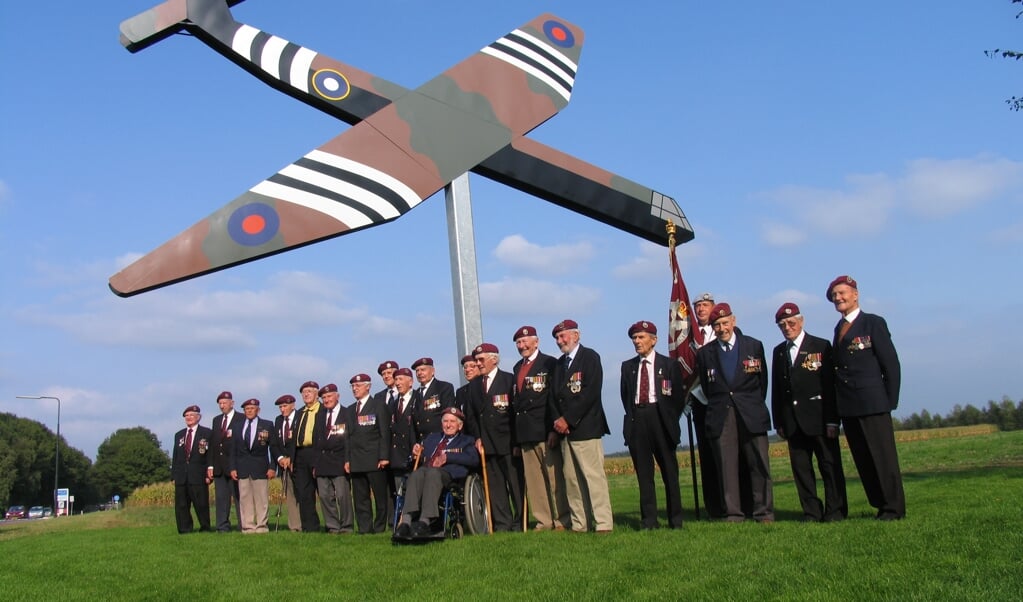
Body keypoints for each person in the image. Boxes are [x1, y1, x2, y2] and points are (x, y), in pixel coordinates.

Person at [828, 275, 905, 520]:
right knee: (863, 458)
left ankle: (893, 508)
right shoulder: (839, 328)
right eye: (834, 296)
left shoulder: (873, 323)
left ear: (855, 294)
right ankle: (880, 504)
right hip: (849, 406)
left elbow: (890, 364)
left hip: (873, 403)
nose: (838, 298)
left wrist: (888, 401)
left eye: (842, 293)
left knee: (882, 457)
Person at [695, 303, 774, 523]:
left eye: (725, 323)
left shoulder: (754, 346)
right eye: (717, 325)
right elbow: (708, 387)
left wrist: (749, 402)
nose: (722, 328)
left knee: (759, 465)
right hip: (722, 415)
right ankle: (733, 513)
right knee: (726, 467)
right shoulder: (705, 354)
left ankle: (763, 512)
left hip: (751, 412)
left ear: (734, 321)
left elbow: (762, 382)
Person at [771, 302, 848, 522]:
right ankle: (811, 512)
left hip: (820, 419)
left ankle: (835, 511)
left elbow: (830, 386)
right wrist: (779, 422)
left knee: (829, 467)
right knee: (802, 471)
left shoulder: (820, 346)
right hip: (793, 422)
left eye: (791, 322)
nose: (787, 327)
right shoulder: (779, 352)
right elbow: (777, 390)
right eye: (782, 325)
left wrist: (833, 420)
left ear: (801, 321)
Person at [620, 321, 686, 529]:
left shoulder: (669, 365)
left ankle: (675, 519)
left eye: (641, 337)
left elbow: (678, 399)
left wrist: (669, 419)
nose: (637, 342)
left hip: (661, 419)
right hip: (638, 419)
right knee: (645, 475)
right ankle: (649, 520)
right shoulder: (627, 367)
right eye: (634, 338)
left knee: (669, 473)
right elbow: (625, 396)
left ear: (653, 340)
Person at [550, 319, 613, 533]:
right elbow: (553, 397)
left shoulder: (590, 358)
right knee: (572, 480)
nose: (560, 341)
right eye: (557, 338)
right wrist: (558, 421)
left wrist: (568, 418)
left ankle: (603, 523)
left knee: (593, 478)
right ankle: (580, 524)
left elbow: (590, 393)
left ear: (576, 335)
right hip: (565, 433)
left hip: (586, 428)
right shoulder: (559, 364)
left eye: (563, 336)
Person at [511, 325, 569, 531]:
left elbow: (553, 398)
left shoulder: (549, 363)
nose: (522, 345)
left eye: (526, 341)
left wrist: (553, 429)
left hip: (545, 430)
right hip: (525, 433)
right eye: (518, 342)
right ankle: (544, 521)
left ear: (536, 342)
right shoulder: (517, 367)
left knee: (555, 480)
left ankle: (562, 519)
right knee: (535, 483)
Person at [395, 407, 480, 538]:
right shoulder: (432, 438)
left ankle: (425, 521)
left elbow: (474, 459)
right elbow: (418, 459)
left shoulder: (466, 441)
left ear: (460, 425)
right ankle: (405, 522)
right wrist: (416, 453)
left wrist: (448, 457)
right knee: (416, 474)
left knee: (432, 474)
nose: (448, 425)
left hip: (448, 475)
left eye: (452, 421)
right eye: (445, 421)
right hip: (425, 472)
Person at [466, 342, 523, 532]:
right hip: (486, 444)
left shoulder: (509, 380)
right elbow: (472, 415)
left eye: (481, 360)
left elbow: (515, 412)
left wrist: (516, 441)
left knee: (515, 484)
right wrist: (477, 437)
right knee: (496, 487)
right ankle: (502, 523)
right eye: (476, 360)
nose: (478, 363)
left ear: (494, 359)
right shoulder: (474, 386)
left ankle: (519, 521)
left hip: (507, 442)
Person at [688, 292, 724, 518]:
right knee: (708, 458)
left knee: (728, 456)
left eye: (705, 305)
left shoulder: (723, 331)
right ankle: (713, 507)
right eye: (698, 306)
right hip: (699, 402)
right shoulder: (688, 337)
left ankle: (735, 504)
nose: (701, 309)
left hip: (722, 401)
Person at [347, 373, 391, 534]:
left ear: (368, 386)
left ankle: (379, 527)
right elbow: (347, 438)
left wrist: (384, 456)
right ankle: (365, 528)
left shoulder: (378, 405)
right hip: (357, 460)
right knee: (360, 498)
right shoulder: (351, 410)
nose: (355, 389)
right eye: (353, 386)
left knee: (380, 497)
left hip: (374, 459)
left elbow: (384, 433)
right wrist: (347, 459)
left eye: (358, 386)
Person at [229, 398, 278, 533]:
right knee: (245, 499)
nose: (249, 411)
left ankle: (262, 526)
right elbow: (233, 449)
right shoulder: (237, 426)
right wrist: (232, 468)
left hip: (260, 467)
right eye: (247, 409)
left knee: (261, 499)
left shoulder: (267, 425)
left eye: (252, 408)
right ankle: (248, 526)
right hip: (242, 468)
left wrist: (273, 467)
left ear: (258, 410)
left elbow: (273, 448)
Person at [314, 383, 354, 534]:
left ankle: (347, 526)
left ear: (337, 396)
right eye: (323, 397)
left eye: (329, 396)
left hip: (339, 461)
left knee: (343, 496)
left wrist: (347, 460)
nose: (326, 399)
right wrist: (315, 464)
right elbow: (316, 440)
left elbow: (349, 439)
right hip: (322, 462)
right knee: (325, 496)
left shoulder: (347, 413)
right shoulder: (320, 415)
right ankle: (332, 526)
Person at [172, 405, 212, 533]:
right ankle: (184, 529)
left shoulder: (207, 433)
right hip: (181, 476)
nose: (189, 418)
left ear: (198, 417)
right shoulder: (179, 435)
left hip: (198, 475)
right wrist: (173, 476)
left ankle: (205, 527)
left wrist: (208, 473)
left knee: (201, 504)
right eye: (186, 416)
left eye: (191, 415)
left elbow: (210, 455)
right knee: (182, 505)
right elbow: (175, 457)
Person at [209, 390, 243, 532]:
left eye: (224, 403)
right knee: (221, 499)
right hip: (219, 466)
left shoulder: (240, 418)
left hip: (234, 465)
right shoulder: (216, 420)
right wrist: (210, 465)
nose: (222, 406)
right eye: (220, 403)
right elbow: (214, 444)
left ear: (232, 403)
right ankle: (222, 526)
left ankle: (244, 525)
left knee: (239, 497)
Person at [292, 380, 323, 532]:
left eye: (309, 391)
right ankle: (310, 526)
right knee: (304, 493)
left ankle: (332, 525)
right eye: (303, 392)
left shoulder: (322, 410)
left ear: (317, 393)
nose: (306, 394)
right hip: (301, 455)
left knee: (323, 491)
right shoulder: (299, 413)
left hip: (317, 452)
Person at [388, 367, 417, 522]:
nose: (397, 383)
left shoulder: (418, 398)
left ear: (410, 382)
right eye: (396, 380)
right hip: (397, 455)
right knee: (400, 490)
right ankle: (402, 520)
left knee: (414, 489)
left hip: (414, 452)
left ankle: (414, 519)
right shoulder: (393, 404)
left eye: (401, 379)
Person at [272, 394, 302, 532]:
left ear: (292, 405)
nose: (282, 409)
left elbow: (298, 440)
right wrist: (280, 458)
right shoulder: (278, 421)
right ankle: (294, 525)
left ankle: (306, 523)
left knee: (302, 493)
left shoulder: (300, 416)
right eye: (280, 407)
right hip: (284, 464)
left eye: (284, 406)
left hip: (298, 462)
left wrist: (291, 457)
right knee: (290, 495)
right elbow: (274, 444)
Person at [411, 357, 456, 438]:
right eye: (417, 371)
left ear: (432, 371)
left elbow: (448, 414)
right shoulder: (415, 394)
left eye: (423, 370)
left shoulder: (444, 387)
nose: (419, 373)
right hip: (421, 441)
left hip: (439, 438)